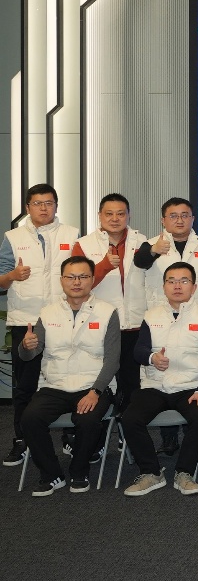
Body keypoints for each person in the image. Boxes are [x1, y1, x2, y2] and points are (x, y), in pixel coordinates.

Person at [17, 256, 119, 495]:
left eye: (83, 277)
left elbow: (113, 359)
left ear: (92, 280)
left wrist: (95, 392)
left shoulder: (107, 312)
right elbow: (29, 355)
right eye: (71, 277)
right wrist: (26, 346)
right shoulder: (48, 312)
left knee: (88, 420)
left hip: (93, 385)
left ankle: (79, 470)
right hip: (55, 385)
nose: (77, 282)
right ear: (62, 280)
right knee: (29, 418)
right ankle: (51, 474)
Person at [121, 261, 198, 497]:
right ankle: (151, 472)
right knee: (130, 418)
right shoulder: (151, 315)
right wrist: (152, 357)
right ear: (164, 286)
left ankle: (184, 472)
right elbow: (138, 351)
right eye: (171, 281)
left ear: (194, 287)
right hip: (156, 384)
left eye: (184, 281)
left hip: (192, 385)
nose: (177, 286)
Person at [0, 184, 80, 467]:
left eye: (49, 203)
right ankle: (21, 439)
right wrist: (12, 275)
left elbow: (82, 273)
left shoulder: (71, 234)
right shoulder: (12, 237)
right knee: (25, 385)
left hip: (64, 318)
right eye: (37, 203)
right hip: (26, 320)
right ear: (27, 207)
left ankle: (71, 436)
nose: (44, 208)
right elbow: (0, 281)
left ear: (56, 205)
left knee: (68, 379)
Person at [72, 194, 147, 415]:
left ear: (129, 215)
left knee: (132, 381)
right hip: (100, 323)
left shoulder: (142, 242)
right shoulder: (84, 245)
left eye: (120, 214)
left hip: (135, 322)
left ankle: (127, 426)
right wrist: (104, 265)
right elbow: (78, 285)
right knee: (98, 380)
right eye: (109, 214)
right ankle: (95, 427)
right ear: (99, 216)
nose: (115, 219)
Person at [133, 197, 198, 314]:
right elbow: (139, 262)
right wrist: (154, 250)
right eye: (173, 216)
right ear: (163, 220)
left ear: (193, 219)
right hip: (161, 315)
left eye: (184, 216)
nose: (179, 221)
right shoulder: (151, 245)